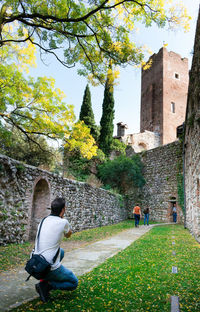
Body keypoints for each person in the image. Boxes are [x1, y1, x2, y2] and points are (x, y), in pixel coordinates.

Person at [34, 197, 78, 303]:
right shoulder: (63, 222)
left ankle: (44, 279)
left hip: (35, 263)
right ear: (63, 210)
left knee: (61, 251)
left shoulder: (43, 220)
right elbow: (68, 235)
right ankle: (47, 286)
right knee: (73, 283)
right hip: (48, 266)